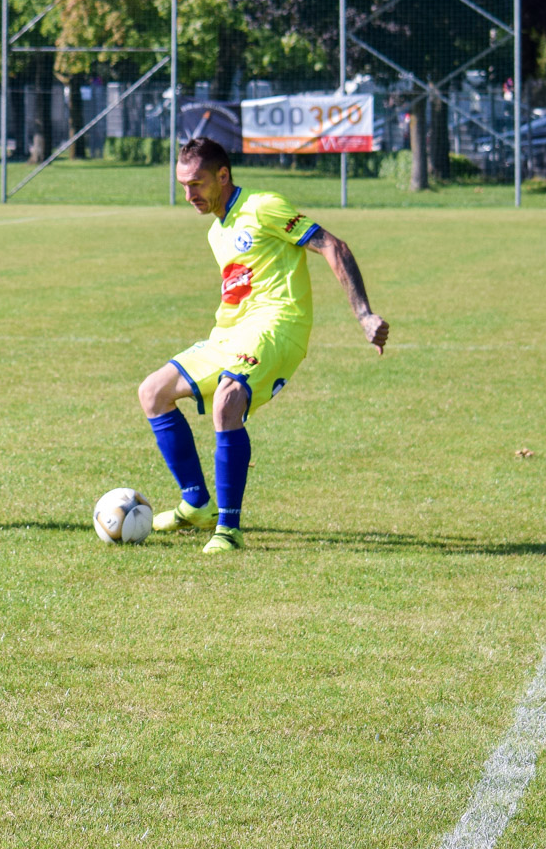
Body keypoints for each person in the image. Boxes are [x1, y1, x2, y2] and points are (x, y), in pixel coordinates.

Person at [139, 137, 389, 553]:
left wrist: (364, 314)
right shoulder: (217, 232)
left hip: (278, 325)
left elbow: (333, 245)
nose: (189, 195)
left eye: (197, 184)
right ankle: (197, 504)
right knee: (152, 392)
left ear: (223, 175)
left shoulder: (263, 206)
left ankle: (229, 528)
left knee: (227, 399)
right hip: (229, 333)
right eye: (183, 185)